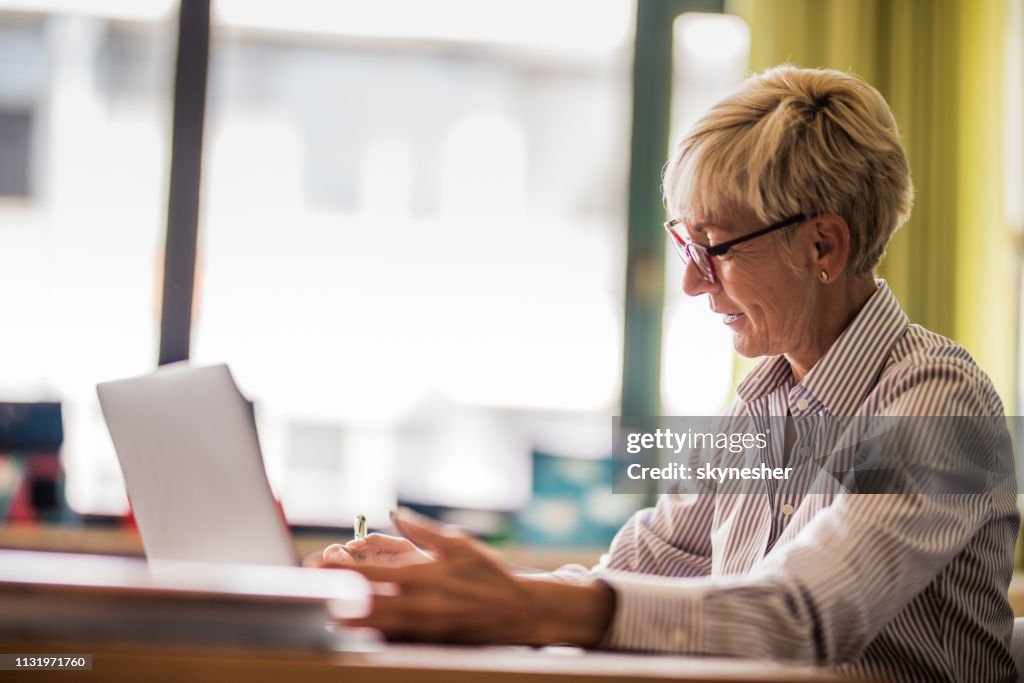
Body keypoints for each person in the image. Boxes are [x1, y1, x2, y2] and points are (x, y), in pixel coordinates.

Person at [319, 66, 1020, 682]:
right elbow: (628, 581)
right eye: (685, 241)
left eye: (714, 246)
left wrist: (519, 603)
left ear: (822, 244)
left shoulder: (941, 405)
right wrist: (464, 585)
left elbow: (800, 617)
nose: (690, 281)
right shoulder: (763, 407)